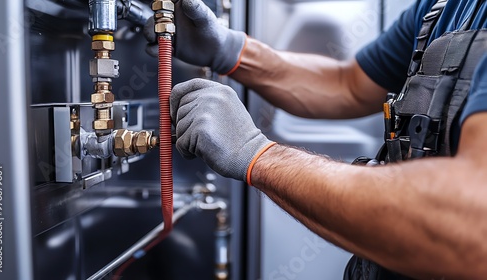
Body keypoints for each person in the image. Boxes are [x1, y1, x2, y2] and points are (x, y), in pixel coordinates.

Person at [145, 0, 487, 279]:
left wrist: (257, 154)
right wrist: (230, 50)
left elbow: (469, 220)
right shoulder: (443, 6)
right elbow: (349, 84)